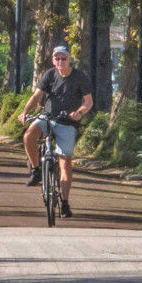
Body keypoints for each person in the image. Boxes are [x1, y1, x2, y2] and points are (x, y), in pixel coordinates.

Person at [18, 45, 93, 218]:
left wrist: (79, 113)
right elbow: (37, 95)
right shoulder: (49, 75)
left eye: (63, 58)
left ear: (69, 59)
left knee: (65, 162)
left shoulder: (80, 77)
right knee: (29, 135)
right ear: (53, 60)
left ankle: (65, 203)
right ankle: (36, 170)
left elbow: (88, 101)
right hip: (47, 117)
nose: (60, 62)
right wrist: (25, 112)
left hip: (67, 121)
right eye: (57, 59)